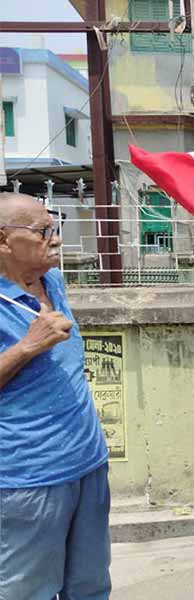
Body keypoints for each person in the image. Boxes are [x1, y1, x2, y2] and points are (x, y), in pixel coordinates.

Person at [0, 193, 110, 598]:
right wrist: (27, 347)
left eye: (55, 227)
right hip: (28, 479)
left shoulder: (54, 280)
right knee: (29, 591)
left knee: (91, 585)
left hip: (87, 464)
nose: (57, 239)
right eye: (44, 231)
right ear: (3, 240)